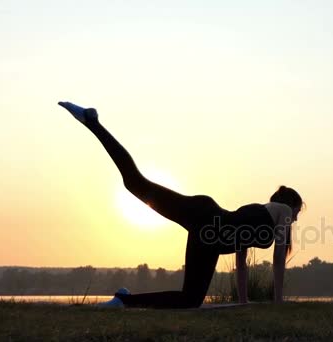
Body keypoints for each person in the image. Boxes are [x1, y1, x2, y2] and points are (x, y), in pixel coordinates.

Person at [58, 101, 303, 309]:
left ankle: (123, 300)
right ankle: (93, 122)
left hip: (208, 226)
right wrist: (278, 303)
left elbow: (241, 261)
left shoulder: (260, 213)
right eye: (298, 211)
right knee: (136, 184)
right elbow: (278, 258)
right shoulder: (280, 210)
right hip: (210, 223)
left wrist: (243, 301)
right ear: (289, 203)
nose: (296, 218)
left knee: (190, 299)